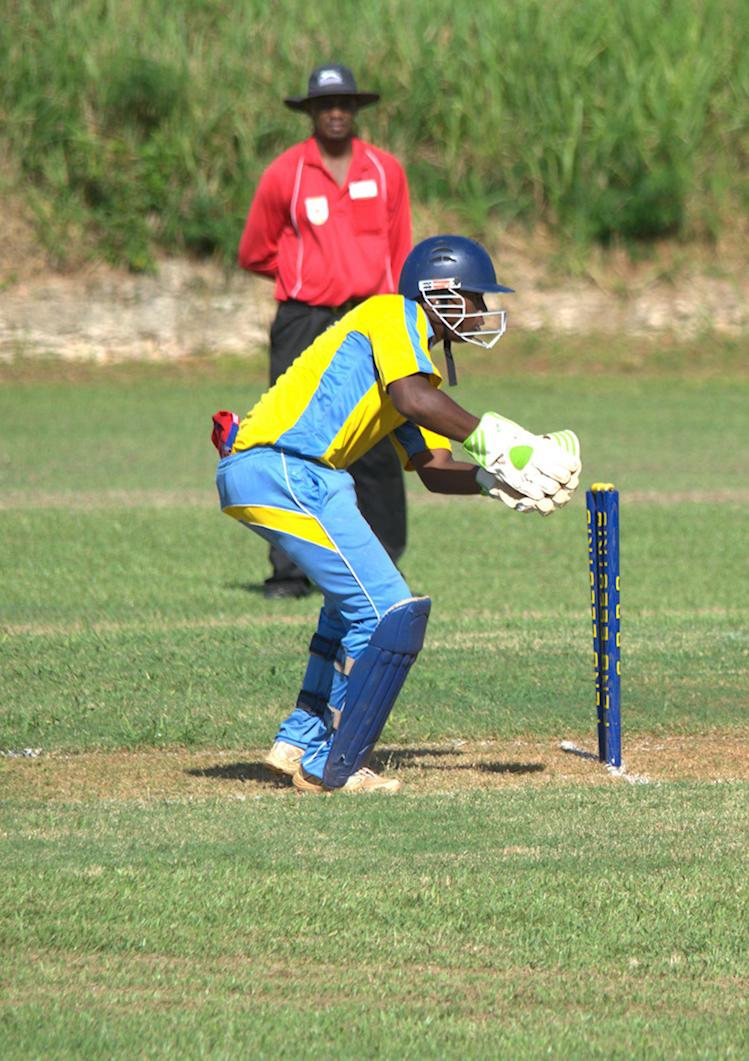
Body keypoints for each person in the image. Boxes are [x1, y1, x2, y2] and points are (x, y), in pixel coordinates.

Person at [214, 236, 582, 793]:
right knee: (389, 613)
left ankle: (298, 740)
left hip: (307, 476)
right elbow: (412, 399)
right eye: (475, 298)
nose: (482, 312)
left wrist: (495, 481)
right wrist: (504, 443)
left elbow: (433, 467)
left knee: (352, 605)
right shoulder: (395, 314)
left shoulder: (411, 365)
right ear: (439, 292)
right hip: (285, 468)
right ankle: (332, 764)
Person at [238, 63, 413, 599]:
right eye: (325, 105)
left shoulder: (386, 172)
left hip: (373, 314)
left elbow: (402, 252)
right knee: (290, 439)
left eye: (344, 105)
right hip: (304, 318)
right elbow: (254, 250)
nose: (335, 113)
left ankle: (379, 564)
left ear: (355, 110)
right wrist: (304, 274)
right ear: (310, 111)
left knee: (378, 438)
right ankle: (289, 574)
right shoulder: (285, 173)